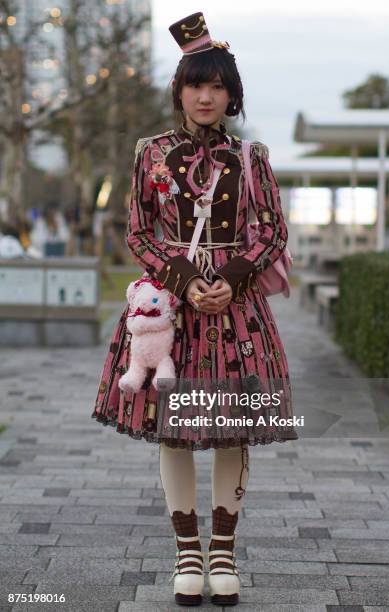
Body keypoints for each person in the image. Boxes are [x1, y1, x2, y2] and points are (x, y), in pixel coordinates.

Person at [92, 11, 298, 607]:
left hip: (238, 310)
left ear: (232, 95)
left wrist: (233, 280)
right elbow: (137, 230)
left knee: (231, 428)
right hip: (171, 311)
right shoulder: (149, 153)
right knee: (175, 432)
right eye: (195, 85)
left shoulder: (250, 156)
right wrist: (184, 281)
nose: (205, 97)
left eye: (217, 87)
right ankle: (187, 550)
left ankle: (225, 552)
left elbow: (272, 230)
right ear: (179, 90)